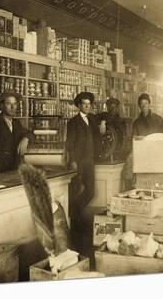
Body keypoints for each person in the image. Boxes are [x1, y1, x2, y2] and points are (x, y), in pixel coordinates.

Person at [66, 92, 97, 229]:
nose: (87, 106)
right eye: (84, 104)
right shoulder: (73, 122)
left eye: (89, 104)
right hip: (78, 161)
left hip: (90, 160)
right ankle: (75, 219)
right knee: (76, 190)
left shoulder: (93, 120)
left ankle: (74, 211)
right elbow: (69, 143)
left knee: (91, 191)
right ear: (79, 106)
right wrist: (73, 160)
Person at [95, 97, 128, 161]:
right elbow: (93, 120)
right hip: (103, 149)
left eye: (114, 107)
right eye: (110, 107)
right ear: (107, 108)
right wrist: (103, 121)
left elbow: (123, 137)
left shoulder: (120, 121)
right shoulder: (103, 116)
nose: (112, 109)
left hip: (116, 150)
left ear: (117, 108)